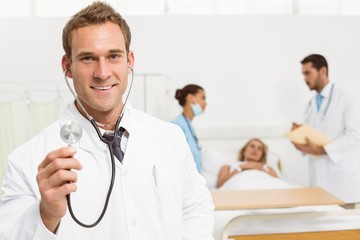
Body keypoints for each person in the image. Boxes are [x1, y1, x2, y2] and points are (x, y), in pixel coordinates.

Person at [0, 2, 214, 239]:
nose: (102, 72)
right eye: (88, 58)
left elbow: (196, 208)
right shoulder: (26, 161)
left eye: (113, 56)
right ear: (67, 66)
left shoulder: (170, 138)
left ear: (129, 60)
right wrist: (46, 214)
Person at [291, 53, 360, 207]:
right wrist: (299, 139)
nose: (304, 78)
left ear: (322, 71)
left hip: (341, 177)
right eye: (303, 74)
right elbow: (312, 137)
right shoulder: (310, 104)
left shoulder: (345, 97)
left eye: (308, 73)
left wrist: (323, 150)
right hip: (318, 177)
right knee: (321, 223)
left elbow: (356, 135)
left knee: (346, 226)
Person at [172, 84, 207, 173]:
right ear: (191, 98)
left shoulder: (188, 126)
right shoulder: (177, 126)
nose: (205, 103)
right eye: (203, 98)